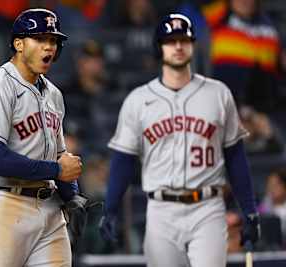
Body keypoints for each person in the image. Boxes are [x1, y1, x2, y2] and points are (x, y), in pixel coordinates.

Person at [99, 13, 260, 267]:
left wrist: (249, 209)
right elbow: (123, 160)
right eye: (170, 41)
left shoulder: (218, 93)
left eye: (183, 40)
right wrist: (110, 209)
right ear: (159, 47)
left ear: (192, 45)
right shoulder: (138, 100)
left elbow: (235, 156)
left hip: (208, 207)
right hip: (161, 209)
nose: (177, 46)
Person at [0, 8, 89, 267]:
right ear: (19, 44)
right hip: (4, 205)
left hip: (49, 208)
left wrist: (72, 196)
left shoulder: (54, 94)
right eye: (40, 39)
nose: (49, 47)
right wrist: (57, 170)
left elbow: (58, 153)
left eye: (53, 41)